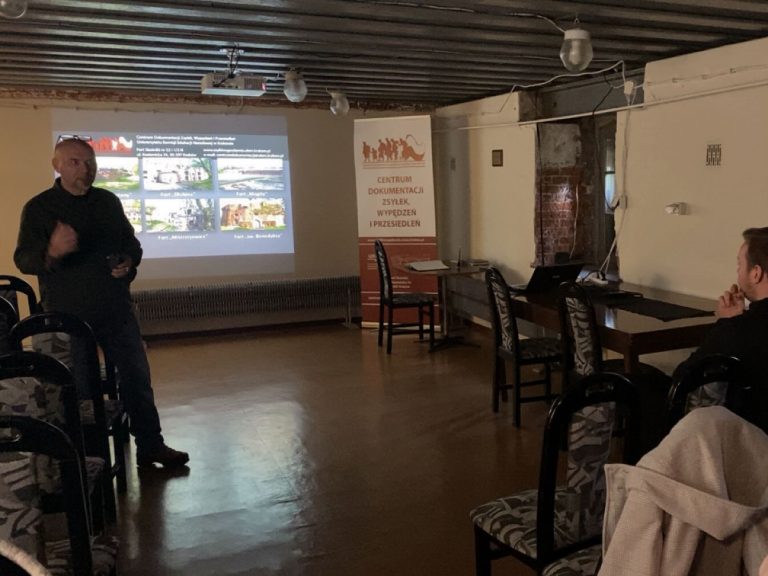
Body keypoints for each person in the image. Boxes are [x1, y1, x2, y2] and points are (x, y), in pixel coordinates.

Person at [14, 137, 189, 469]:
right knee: (81, 390)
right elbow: (23, 259)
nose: (85, 168)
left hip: (115, 309)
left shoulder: (108, 202)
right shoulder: (39, 208)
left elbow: (131, 245)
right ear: (56, 166)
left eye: (90, 162)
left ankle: (151, 445)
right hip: (69, 317)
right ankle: (90, 460)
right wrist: (52, 251)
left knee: (137, 379)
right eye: (75, 162)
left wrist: (128, 262)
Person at [673, 227, 768, 432]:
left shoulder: (739, 328)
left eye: (739, 264)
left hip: (750, 440)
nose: (737, 272)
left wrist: (726, 323)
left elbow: (684, 380)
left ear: (756, 273)